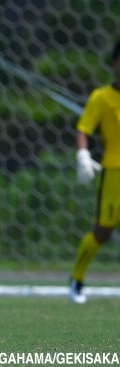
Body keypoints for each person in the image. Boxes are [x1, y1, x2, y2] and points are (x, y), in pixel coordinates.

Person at [69, 39, 120, 304]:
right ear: (115, 64)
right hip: (114, 172)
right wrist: (83, 154)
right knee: (102, 232)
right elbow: (84, 129)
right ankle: (76, 278)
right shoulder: (101, 97)